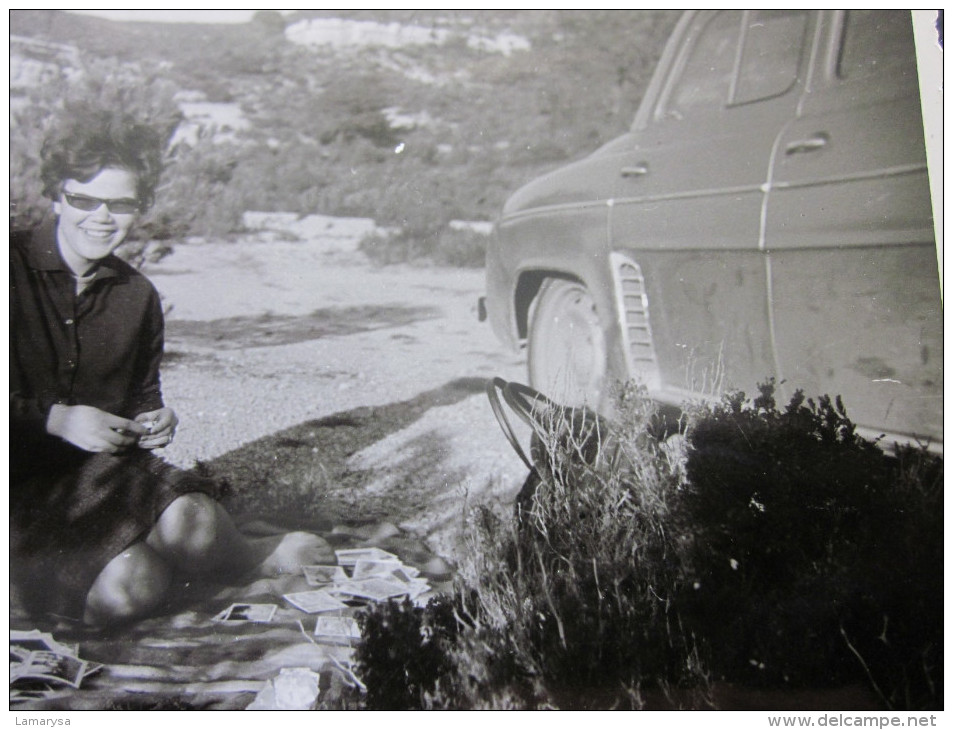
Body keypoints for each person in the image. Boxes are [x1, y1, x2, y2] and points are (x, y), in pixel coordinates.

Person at [10, 106, 333, 627]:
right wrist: (55, 420)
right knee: (130, 591)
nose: (101, 217)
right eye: (83, 199)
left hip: (99, 479)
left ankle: (250, 558)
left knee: (199, 524)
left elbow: (140, 396)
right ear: (56, 195)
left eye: (121, 204)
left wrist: (155, 417)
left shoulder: (136, 295)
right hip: (16, 491)